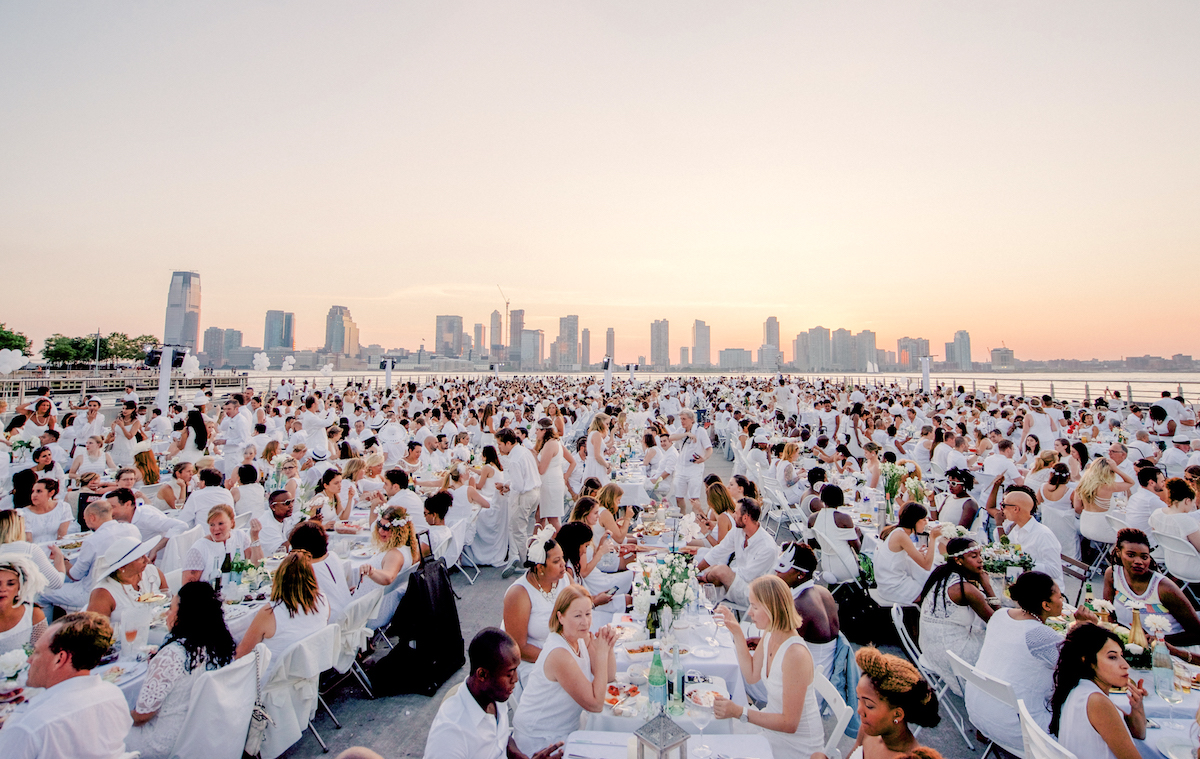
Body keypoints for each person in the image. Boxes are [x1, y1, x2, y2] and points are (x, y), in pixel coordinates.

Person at [966, 571, 1086, 749]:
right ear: (1046, 605)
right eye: (1060, 597)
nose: (1063, 601)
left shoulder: (1001, 615)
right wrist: (1083, 627)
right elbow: (1080, 669)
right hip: (1017, 728)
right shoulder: (1039, 635)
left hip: (978, 711)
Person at [712, 575, 825, 758]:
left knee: (723, 741)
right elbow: (751, 675)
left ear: (772, 609)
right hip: (772, 729)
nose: (750, 612)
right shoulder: (771, 633)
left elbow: (790, 723)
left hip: (796, 746)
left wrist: (740, 711)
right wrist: (736, 632)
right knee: (717, 731)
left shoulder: (795, 654)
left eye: (755, 607)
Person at [125, 582, 237, 759]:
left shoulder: (173, 655)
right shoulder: (218, 642)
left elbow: (141, 717)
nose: (167, 614)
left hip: (163, 741)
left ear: (184, 615)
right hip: (201, 731)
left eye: (170, 608)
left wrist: (117, 712)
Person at [0, 611, 132, 759]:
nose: (29, 660)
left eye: (36, 652)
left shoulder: (28, 726)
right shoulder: (113, 695)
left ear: (59, 659)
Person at [423, 627, 563, 759]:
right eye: (509, 673)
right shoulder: (451, 733)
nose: (515, 679)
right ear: (482, 674)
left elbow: (499, 737)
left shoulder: (493, 695)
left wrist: (519, 756)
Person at [511, 585, 616, 756]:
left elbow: (609, 677)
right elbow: (596, 704)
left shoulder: (581, 637)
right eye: (577, 616)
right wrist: (602, 652)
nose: (585, 622)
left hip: (566, 729)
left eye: (588, 614)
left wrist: (608, 646)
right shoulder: (559, 653)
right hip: (542, 739)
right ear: (560, 617)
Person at [812, 647, 941, 759]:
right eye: (859, 699)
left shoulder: (907, 757)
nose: (859, 710)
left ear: (897, 714)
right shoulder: (867, 731)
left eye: (869, 705)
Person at [1049, 623, 1146, 759]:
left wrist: (1137, 707)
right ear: (1088, 661)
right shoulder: (1097, 701)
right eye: (1112, 657)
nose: (1125, 665)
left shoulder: (1080, 687)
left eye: (1121, 656)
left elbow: (1139, 733)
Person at [915, 537, 996, 695]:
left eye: (980, 555)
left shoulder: (942, 574)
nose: (980, 560)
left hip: (930, 646)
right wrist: (987, 587)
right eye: (974, 557)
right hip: (950, 654)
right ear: (958, 560)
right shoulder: (963, 588)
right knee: (999, 648)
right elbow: (997, 622)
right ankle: (995, 695)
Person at [1102, 528, 1200, 658]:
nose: (1139, 561)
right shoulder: (1113, 575)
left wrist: (1158, 640)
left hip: (1175, 653)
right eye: (1131, 555)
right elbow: (1109, 614)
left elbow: (1197, 635)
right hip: (1135, 649)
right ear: (1119, 553)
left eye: (1144, 557)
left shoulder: (1164, 588)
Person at [236, 549, 331, 676]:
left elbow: (241, 655)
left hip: (271, 681)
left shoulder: (270, 612)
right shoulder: (322, 600)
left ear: (279, 578)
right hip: (307, 673)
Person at [502, 526, 570, 680]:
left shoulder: (564, 579)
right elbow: (518, 647)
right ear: (540, 568)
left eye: (563, 558)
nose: (563, 564)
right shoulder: (519, 594)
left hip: (563, 649)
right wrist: (557, 659)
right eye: (556, 561)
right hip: (533, 661)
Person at [772, 541, 839, 680]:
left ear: (801, 574)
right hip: (825, 672)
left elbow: (781, 649)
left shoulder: (800, 606)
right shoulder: (823, 592)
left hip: (807, 681)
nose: (776, 571)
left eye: (783, 567)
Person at [696, 498, 780, 607]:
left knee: (720, 571)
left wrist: (712, 574)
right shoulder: (739, 530)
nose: (733, 515)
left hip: (752, 592)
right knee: (705, 580)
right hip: (736, 581)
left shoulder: (767, 547)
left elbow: (747, 575)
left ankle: (703, 582)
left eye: (735, 513)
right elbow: (719, 550)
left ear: (745, 518)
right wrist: (696, 570)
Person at [985, 482, 1064, 584]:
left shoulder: (1043, 534)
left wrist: (1021, 565)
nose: (1001, 509)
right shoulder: (1015, 529)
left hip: (1044, 590)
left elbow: (1054, 571)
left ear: (1016, 509)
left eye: (1003, 505)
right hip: (1023, 584)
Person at [353, 506, 419, 626]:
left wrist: (371, 571)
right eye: (379, 525)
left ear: (399, 530)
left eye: (386, 528)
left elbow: (388, 577)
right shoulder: (405, 549)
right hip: (371, 604)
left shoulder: (395, 554)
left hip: (370, 613)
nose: (380, 531)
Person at [874, 503, 942, 605]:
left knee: (928, 586)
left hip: (886, 583)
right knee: (931, 594)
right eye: (923, 519)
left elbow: (896, 555)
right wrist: (932, 538)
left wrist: (917, 553)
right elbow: (926, 565)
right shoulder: (901, 535)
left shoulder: (898, 532)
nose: (926, 523)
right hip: (892, 586)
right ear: (914, 520)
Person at [498, 428, 543, 578]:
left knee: (518, 529)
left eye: (500, 444)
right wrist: (508, 484)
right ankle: (521, 558)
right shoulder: (524, 451)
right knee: (519, 527)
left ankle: (527, 563)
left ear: (508, 443)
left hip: (526, 495)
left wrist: (507, 486)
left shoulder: (515, 459)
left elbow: (519, 486)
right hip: (535, 492)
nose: (499, 447)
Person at [86, 536, 167, 619]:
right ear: (122, 567)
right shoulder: (103, 593)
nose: (147, 560)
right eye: (140, 557)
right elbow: (95, 629)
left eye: (145, 554)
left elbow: (169, 603)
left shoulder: (153, 572)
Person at [181, 504, 263, 584]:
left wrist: (255, 537)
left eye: (220, 523)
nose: (216, 529)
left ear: (232, 523)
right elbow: (187, 588)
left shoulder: (240, 536)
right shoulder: (199, 549)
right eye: (212, 525)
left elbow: (256, 566)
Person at [0, 555, 47, 654]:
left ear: (19, 588)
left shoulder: (33, 615)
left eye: (11, 584)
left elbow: (42, 653)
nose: (3, 589)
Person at [669, 409, 712, 515]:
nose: (682, 421)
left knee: (694, 497)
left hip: (694, 467)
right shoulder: (681, 430)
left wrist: (704, 458)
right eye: (681, 419)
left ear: (691, 419)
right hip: (681, 467)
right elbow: (671, 437)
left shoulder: (700, 431)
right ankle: (683, 517)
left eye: (684, 419)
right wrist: (686, 434)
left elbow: (709, 448)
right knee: (679, 496)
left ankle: (695, 519)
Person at [1148, 477, 1200, 552]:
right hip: (1190, 561)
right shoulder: (1186, 521)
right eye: (1193, 503)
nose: (1193, 506)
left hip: (1169, 559)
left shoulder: (1156, 514)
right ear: (1187, 501)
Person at [534, 419, 568, 530]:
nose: (536, 432)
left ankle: (563, 544)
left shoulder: (550, 444)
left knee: (552, 519)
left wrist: (533, 455)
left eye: (537, 430)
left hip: (550, 485)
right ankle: (539, 543)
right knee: (540, 516)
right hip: (549, 483)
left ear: (544, 431)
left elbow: (541, 469)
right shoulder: (552, 443)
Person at [18, 478, 72, 543]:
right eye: (33, 491)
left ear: (51, 493)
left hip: (59, 547)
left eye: (39, 491)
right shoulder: (24, 513)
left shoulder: (63, 507)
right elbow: (28, 539)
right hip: (35, 549)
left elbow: (62, 535)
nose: (34, 495)